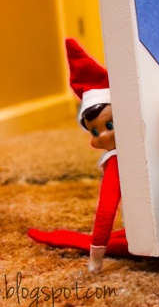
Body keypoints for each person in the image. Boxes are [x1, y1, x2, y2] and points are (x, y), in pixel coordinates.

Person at [28, 38, 131, 273]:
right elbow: (107, 207)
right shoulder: (119, 158)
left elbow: (107, 208)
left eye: (109, 125)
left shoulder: (119, 161)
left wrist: (96, 256)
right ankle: (56, 237)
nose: (102, 136)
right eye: (94, 131)